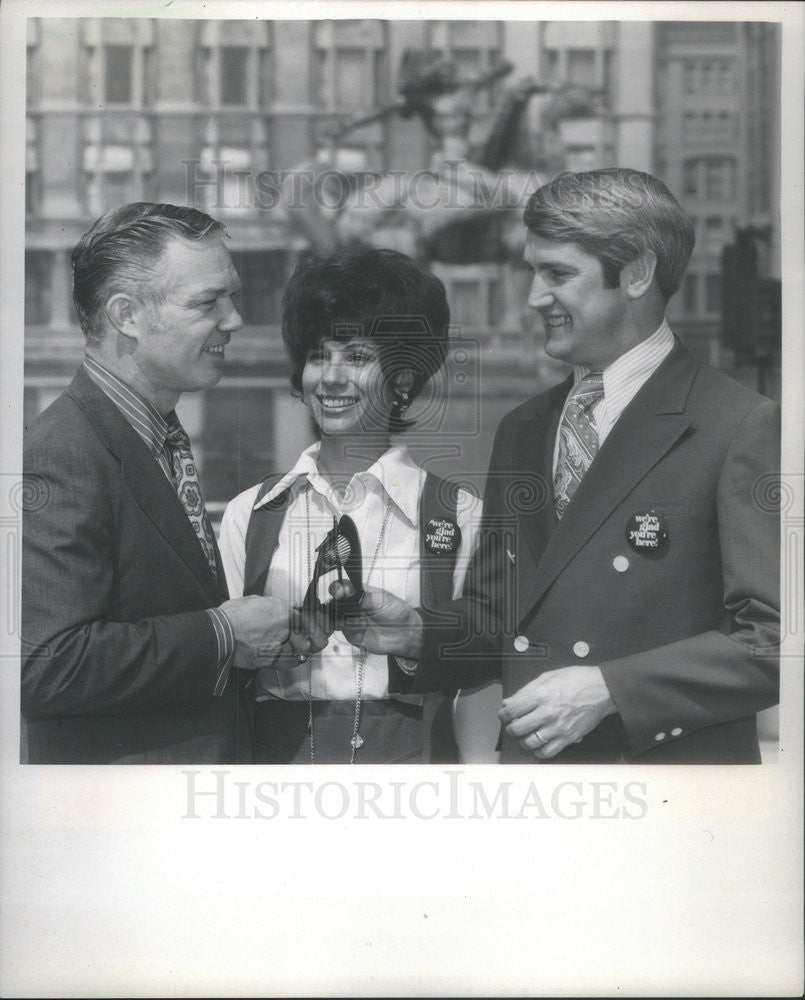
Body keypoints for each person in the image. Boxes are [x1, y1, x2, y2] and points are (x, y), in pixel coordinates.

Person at [330, 168, 780, 764]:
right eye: (532, 271)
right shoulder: (526, 427)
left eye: (558, 274)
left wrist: (609, 689)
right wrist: (416, 632)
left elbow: (779, 642)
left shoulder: (741, 424)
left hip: (666, 798)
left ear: (639, 273)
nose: (533, 297)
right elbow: (500, 620)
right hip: (535, 790)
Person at [21, 203, 324, 764]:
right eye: (208, 302)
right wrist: (225, 636)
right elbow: (46, 666)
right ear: (127, 315)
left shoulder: (149, 434)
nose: (233, 320)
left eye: (232, 296)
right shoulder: (62, 453)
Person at [219, 246, 487, 764]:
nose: (332, 377)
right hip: (275, 777)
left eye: (358, 357)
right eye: (319, 355)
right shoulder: (249, 513)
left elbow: (478, 670)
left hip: (419, 778)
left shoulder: (458, 515)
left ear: (403, 378)